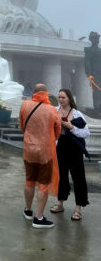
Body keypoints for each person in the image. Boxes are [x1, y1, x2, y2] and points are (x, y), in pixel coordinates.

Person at [19, 83, 61, 229]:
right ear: (46, 93)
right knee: (43, 184)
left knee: (29, 180)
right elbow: (57, 131)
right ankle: (38, 218)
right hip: (46, 152)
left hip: (29, 149)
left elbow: (22, 125)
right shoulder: (51, 109)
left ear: (34, 92)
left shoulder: (25, 105)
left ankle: (28, 210)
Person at [50, 88, 90, 221]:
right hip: (60, 147)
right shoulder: (54, 111)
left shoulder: (77, 114)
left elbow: (86, 132)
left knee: (78, 177)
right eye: (59, 97)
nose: (61, 100)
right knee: (61, 177)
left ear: (69, 99)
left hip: (75, 149)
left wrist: (70, 127)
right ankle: (60, 203)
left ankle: (78, 208)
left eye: (63, 98)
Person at [84, 31, 101, 112]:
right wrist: (89, 74)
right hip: (95, 74)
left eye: (98, 37)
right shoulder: (88, 50)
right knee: (97, 91)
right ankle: (97, 107)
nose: (98, 39)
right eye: (96, 38)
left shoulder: (100, 50)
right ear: (92, 39)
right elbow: (87, 62)